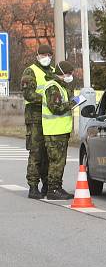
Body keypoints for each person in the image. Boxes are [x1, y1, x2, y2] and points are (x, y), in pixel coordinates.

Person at [20, 44, 55, 199]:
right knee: (36, 152)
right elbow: (28, 94)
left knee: (49, 153)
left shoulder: (53, 72)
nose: (46, 57)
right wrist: (48, 100)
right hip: (35, 118)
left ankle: (47, 185)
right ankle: (33, 186)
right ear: (37, 55)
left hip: (51, 119)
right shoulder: (30, 71)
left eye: (49, 54)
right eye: (43, 54)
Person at [41, 61, 77, 201]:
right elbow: (56, 108)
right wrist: (74, 103)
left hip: (59, 131)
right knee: (56, 162)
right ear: (62, 73)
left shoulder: (60, 86)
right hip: (54, 131)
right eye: (69, 73)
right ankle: (53, 189)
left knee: (59, 162)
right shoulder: (53, 87)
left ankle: (56, 187)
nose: (70, 76)